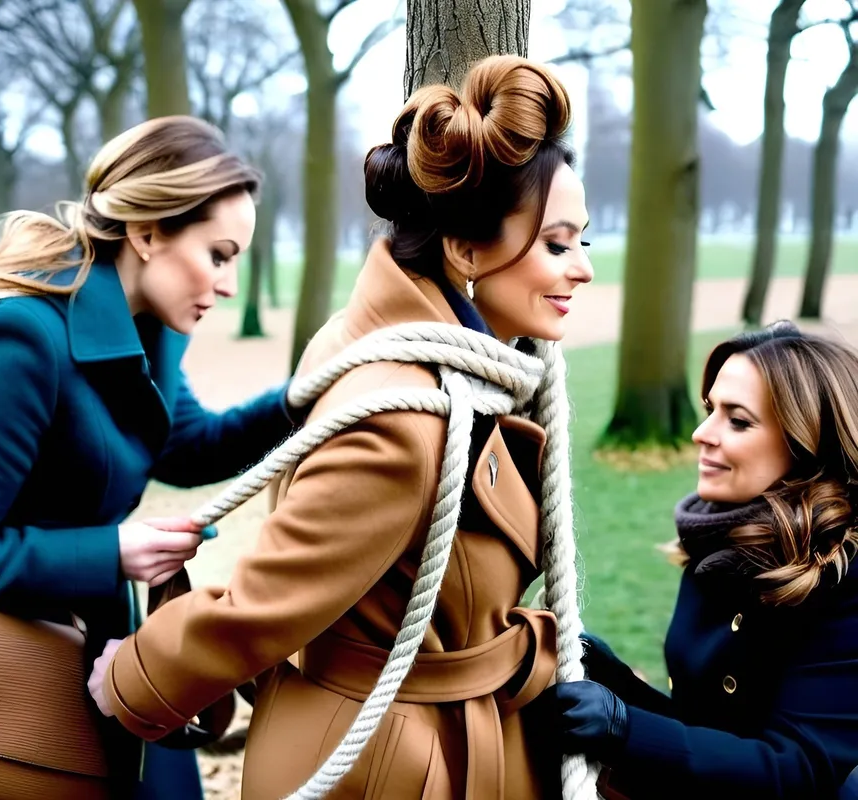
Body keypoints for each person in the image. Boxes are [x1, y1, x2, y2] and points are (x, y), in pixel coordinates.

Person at [88, 55, 594, 799]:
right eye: (556, 243)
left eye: (584, 240)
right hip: (389, 766)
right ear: (464, 251)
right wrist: (137, 677)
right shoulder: (404, 416)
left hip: (431, 737)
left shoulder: (417, 354)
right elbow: (269, 598)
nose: (581, 268)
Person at [0, 115, 307, 800]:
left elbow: (187, 444)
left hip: (85, 636)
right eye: (220, 254)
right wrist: (114, 551)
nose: (229, 283)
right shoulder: (12, 336)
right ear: (148, 233)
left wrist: (313, 392)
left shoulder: (153, 327)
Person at [532, 321, 858, 799]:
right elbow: (702, 727)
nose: (701, 433)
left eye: (738, 420)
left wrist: (621, 726)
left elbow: (799, 768)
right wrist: (608, 675)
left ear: (807, 443)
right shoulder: (721, 547)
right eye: (710, 410)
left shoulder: (846, 579)